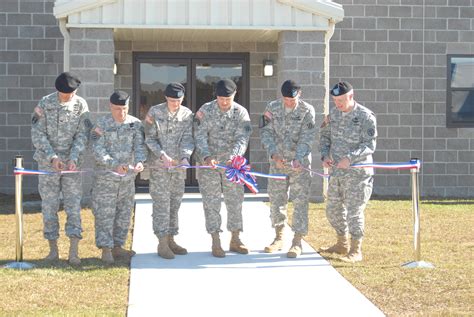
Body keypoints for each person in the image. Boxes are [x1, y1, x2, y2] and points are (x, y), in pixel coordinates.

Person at [31, 72, 90, 265]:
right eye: (65, 95)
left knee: (73, 205)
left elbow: (83, 135)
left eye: (71, 94)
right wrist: (52, 157)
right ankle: (53, 251)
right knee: (49, 205)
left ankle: (74, 252)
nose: (69, 97)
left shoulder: (81, 104)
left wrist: (73, 157)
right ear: (58, 91)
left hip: (72, 165)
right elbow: (37, 133)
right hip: (49, 163)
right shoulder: (45, 103)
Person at [319, 81, 377, 263]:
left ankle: (355, 249)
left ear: (351, 96)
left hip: (358, 174)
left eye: (341, 100)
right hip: (337, 173)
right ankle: (341, 242)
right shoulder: (333, 115)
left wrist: (350, 158)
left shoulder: (366, 116)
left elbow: (370, 145)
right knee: (333, 210)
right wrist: (324, 156)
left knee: (354, 211)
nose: (338, 104)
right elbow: (325, 137)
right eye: (335, 100)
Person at [194, 79, 252, 258]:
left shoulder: (241, 112)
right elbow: (199, 135)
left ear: (234, 95)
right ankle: (215, 240)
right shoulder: (205, 110)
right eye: (221, 98)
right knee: (211, 203)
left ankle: (235, 239)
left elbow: (243, 138)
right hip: (209, 165)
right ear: (216, 96)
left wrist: (233, 157)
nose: (224, 102)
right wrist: (206, 156)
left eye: (227, 99)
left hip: (231, 166)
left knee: (235, 201)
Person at [259, 80, 316, 258]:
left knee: (299, 202)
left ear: (300, 94)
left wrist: (298, 159)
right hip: (278, 164)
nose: (289, 102)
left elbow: (307, 137)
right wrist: (274, 154)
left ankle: (297, 242)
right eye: (286, 99)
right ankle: (279, 237)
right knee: (276, 200)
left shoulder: (307, 110)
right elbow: (265, 132)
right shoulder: (272, 107)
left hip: (299, 165)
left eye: (292, 99)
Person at [91, 90, 147, 264]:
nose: (121, 112)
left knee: (124, 214)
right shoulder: (101, 125)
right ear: (110, 106)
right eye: (117, 109)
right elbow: (97, 150)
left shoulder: (135, 124)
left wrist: (140, 161)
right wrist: (114, 164)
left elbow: (140, 146)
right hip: (106, 180)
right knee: (105, 214)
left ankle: (118, 246)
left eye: (124, 108)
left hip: (127, 181)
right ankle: (106, 249)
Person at [145, 83, 194, 260]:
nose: (176, 103)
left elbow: (188, 139)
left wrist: (185, 157)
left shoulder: (187, 114)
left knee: (175, 203)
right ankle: (162, 242)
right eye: (173, 100)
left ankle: (171, 239)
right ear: (166, 98)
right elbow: (149, 139)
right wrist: (162, 155)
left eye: (179, 100)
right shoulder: (154, 112)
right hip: (159, 167)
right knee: (161, 204)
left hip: (177, 169)